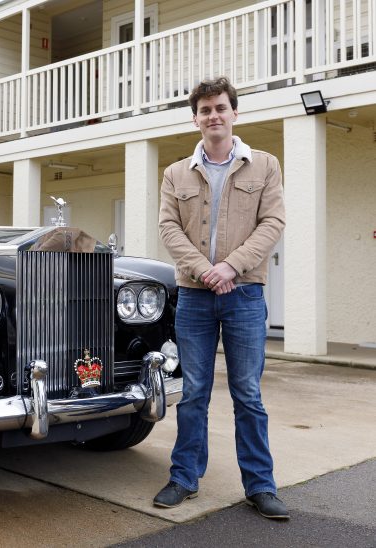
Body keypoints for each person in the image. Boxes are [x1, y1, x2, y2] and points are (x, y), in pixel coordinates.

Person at [155, 77, 288, 519]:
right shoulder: (175, 173)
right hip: (195, 297)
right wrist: (204, 271)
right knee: (194, 392)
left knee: (247, 393)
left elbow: (272, 222)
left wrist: (230, 267)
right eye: (205, 109)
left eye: (220, 108)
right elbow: (169, 229)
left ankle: (261, 486)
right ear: (196, 119)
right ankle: (184, 478)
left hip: (245, 294)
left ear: (235, 113)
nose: (213, 115)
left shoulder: (265, 165)